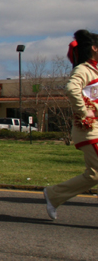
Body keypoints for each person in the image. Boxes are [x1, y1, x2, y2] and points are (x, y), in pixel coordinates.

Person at [44, 29, 98, 220]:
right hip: (90, 130)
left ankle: (54, 194)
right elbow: (71, 89)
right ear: (94, 48)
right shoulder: (84, 69)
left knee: (93, 175)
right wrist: (84, 111)